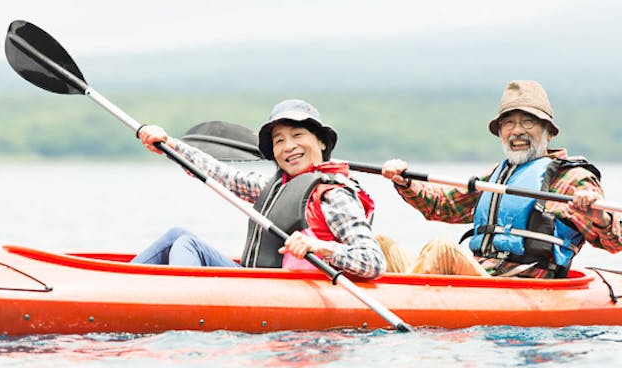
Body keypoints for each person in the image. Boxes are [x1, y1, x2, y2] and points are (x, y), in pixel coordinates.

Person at [380, 80, 622, 278]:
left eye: (528, 122)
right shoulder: (497, 176)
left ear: (549, 132)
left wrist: (599, 217)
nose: (516, 130)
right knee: (383, 246)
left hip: (522, 285)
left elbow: (614, 242)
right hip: (482, 273)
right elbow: (444, 207)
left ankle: (401, 304)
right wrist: (406, 183)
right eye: (508, 123)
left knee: (443, 249)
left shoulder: (572, 179)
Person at [132, 99, 387, 279]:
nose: (288, 147)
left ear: (321, 141)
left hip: (292, 294)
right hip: (258, 282)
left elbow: (374, 262)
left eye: (297, 135)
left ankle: (175, 302)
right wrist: (170, 146)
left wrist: (321, 248)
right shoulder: (275, 187)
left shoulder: (334, 195)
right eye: (279, 141)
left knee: (188, 244)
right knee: (177, 235)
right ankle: (125, 289)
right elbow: (220, 174)